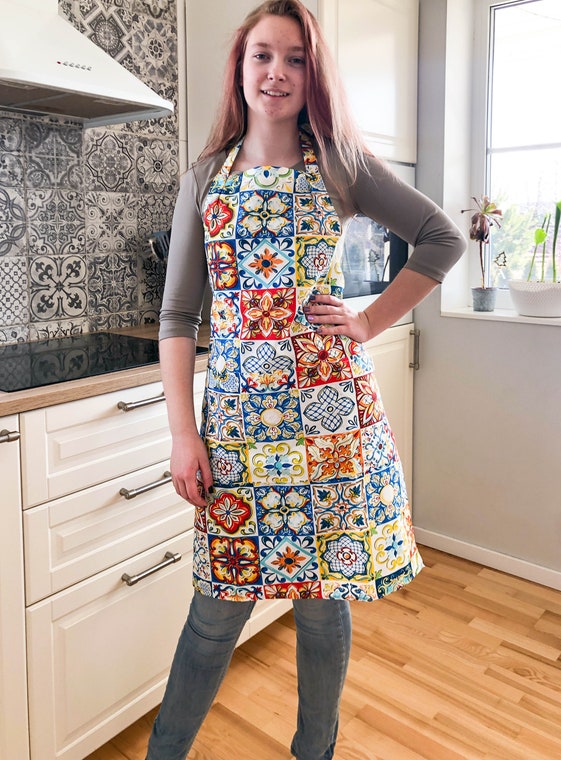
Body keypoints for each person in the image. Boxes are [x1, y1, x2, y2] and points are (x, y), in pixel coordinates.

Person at [147, 2, 465, 758]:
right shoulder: (203, 178)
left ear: (311, 72)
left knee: (324, 606)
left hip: (331, 421)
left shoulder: (340, 164)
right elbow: (177, 317)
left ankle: (313, 751)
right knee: (215, 613)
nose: (277, 72)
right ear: (240, 68)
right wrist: (183, 435)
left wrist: (364, 322)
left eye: (294, 58)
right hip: (238, 429)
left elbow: (440, 238)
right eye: (262, 55)